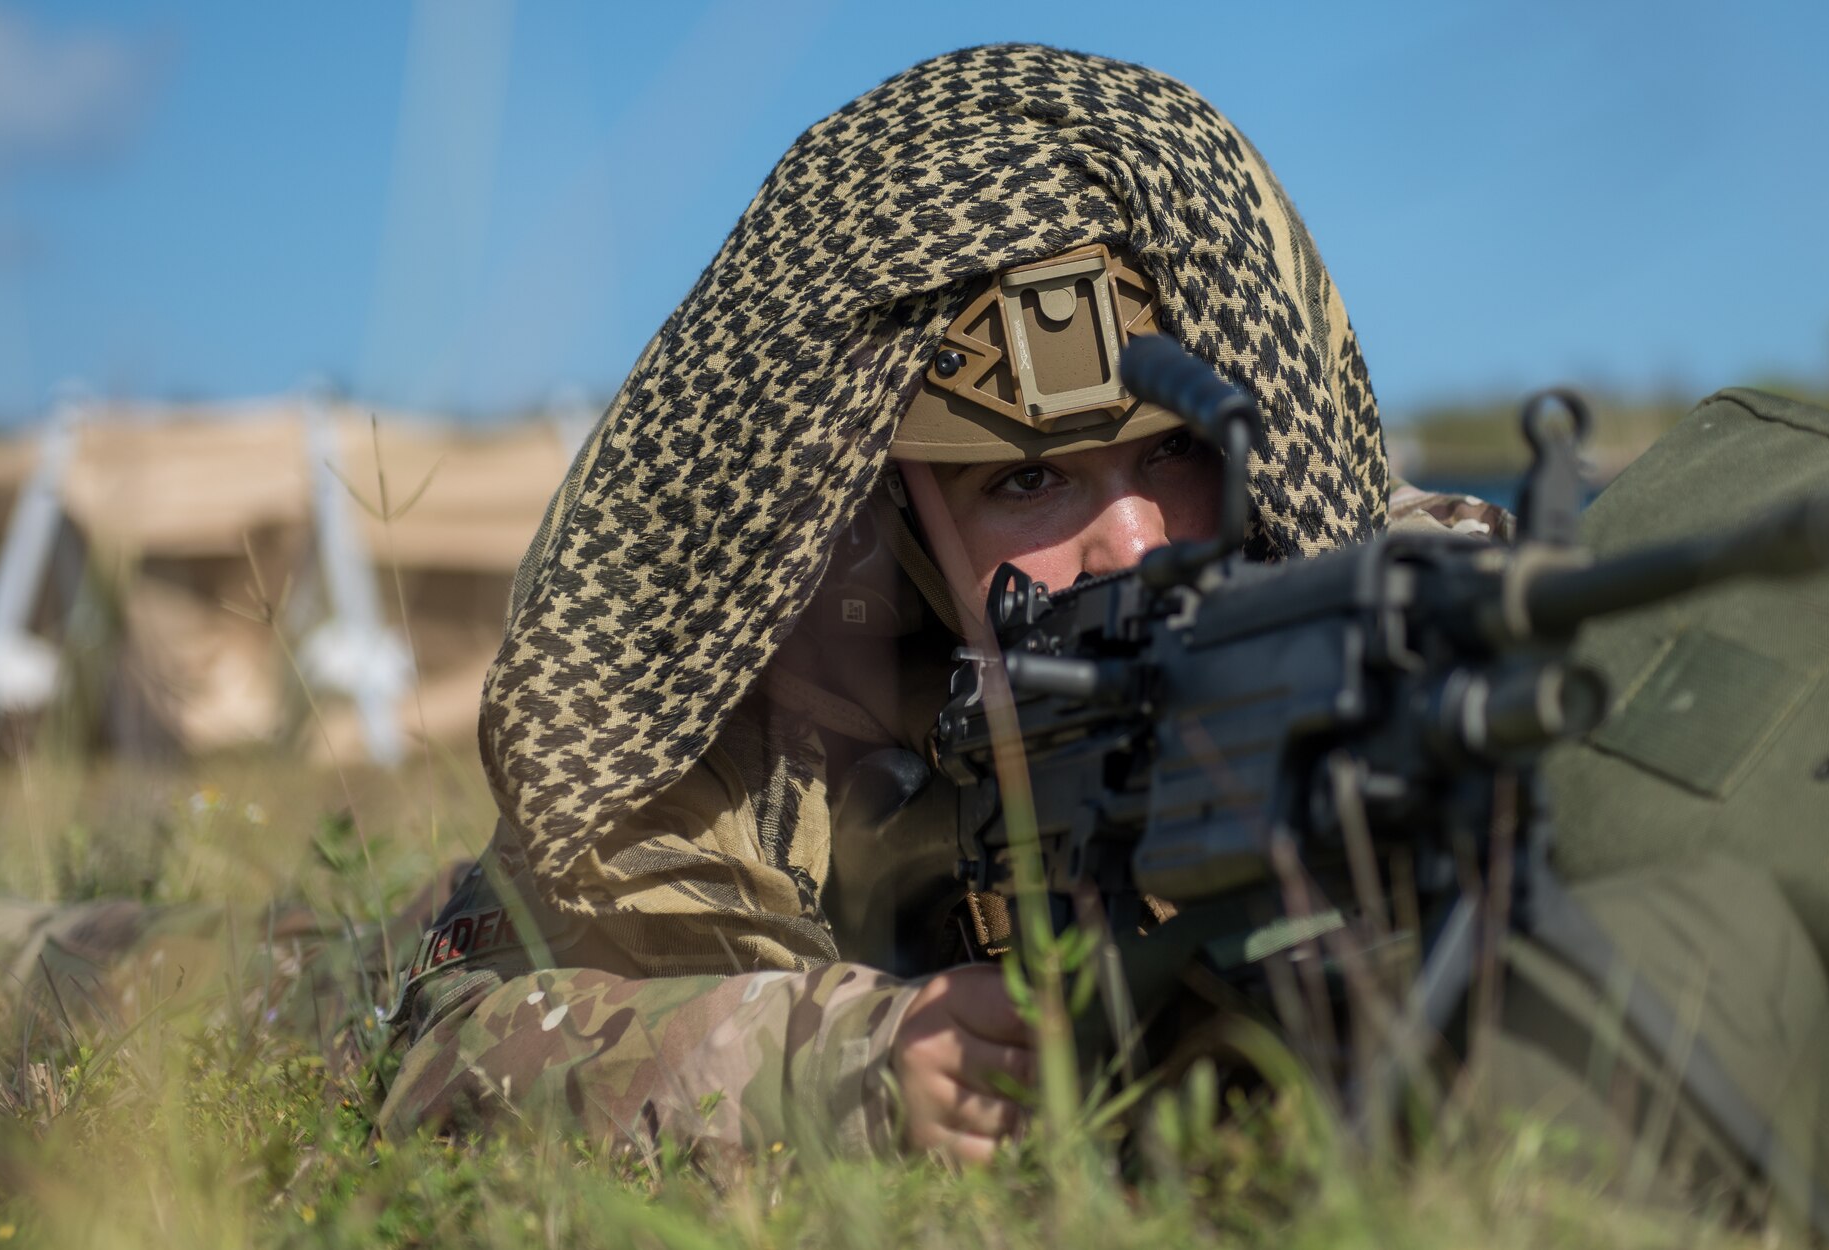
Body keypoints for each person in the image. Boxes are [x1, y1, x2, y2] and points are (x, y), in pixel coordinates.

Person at [372, 43, 1508, 1164]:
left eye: (1175, 455)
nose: (1129, 540)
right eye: (1026, 481)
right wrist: (839, 1061)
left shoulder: (1379, 603)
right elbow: (447, 1057)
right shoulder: (753, 728)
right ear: (891, 505)